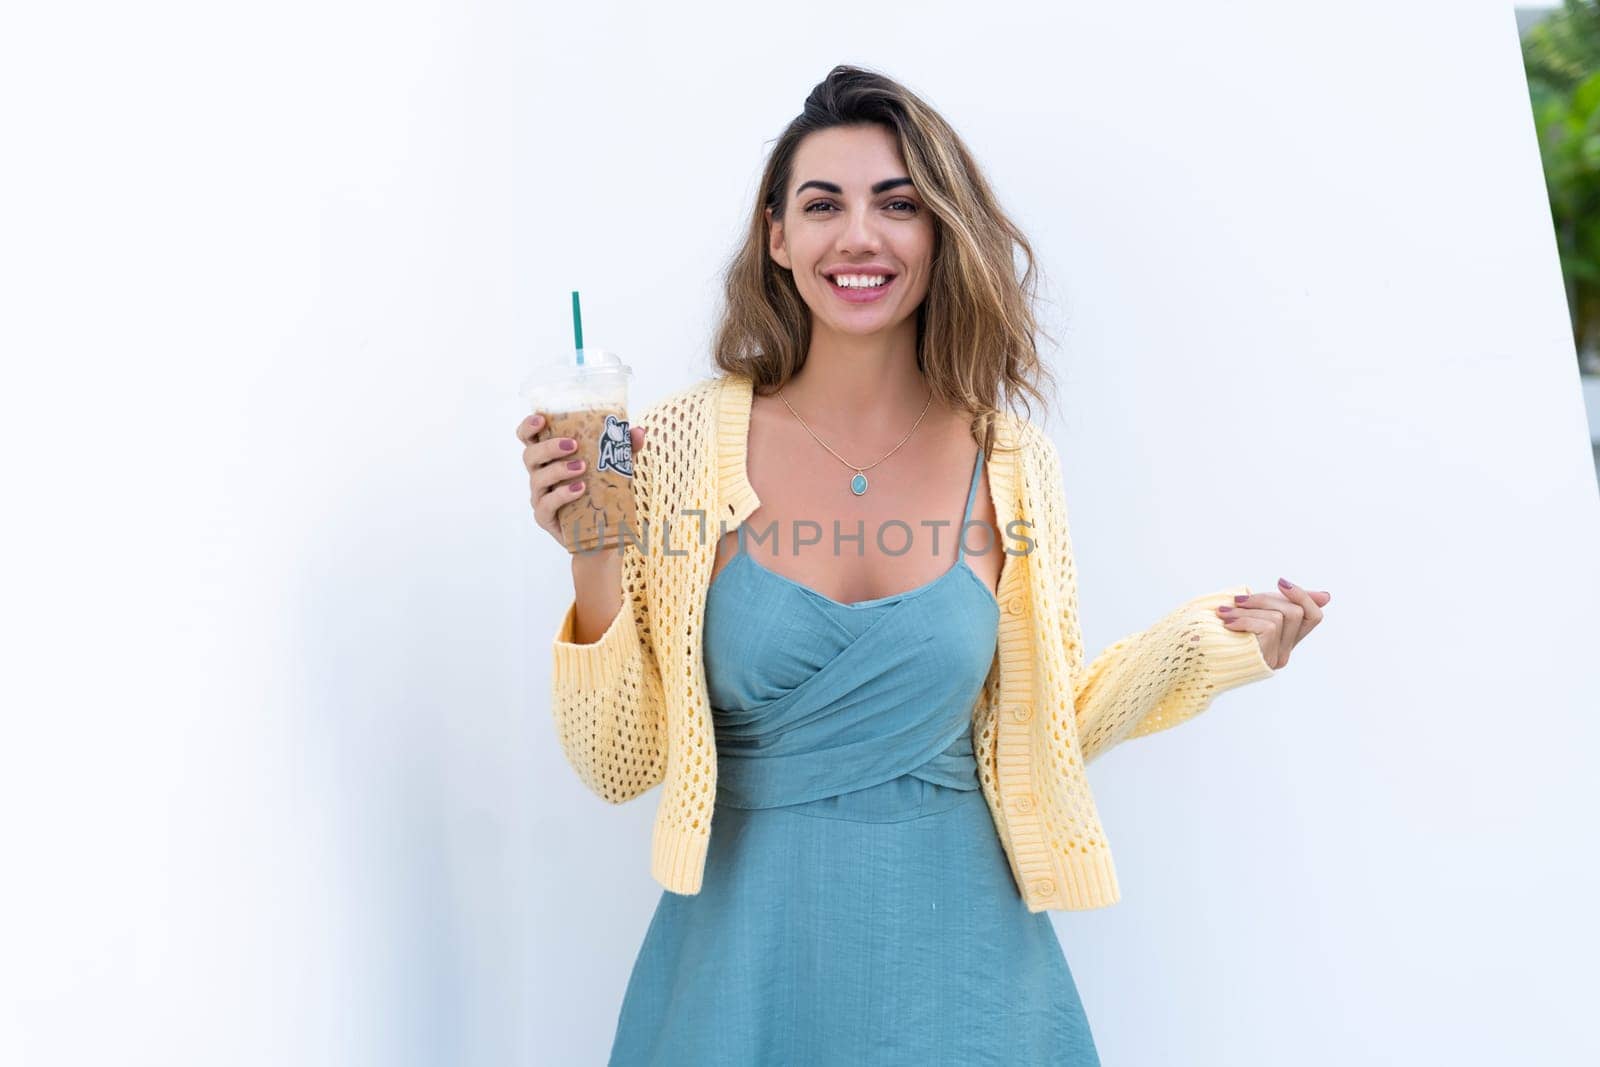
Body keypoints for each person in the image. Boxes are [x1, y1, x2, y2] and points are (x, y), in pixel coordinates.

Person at [517, 64, 1329, 1067]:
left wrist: (1217, 642)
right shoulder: (676, 443)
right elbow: (617, 764)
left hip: (965, 975)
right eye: (823, 204)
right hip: (741, 971)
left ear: (940, 232)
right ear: (777, 237)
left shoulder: (1013, 461)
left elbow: (1048, 718)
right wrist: (593, 559)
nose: (859, 234)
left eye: (897, 204)